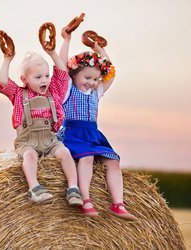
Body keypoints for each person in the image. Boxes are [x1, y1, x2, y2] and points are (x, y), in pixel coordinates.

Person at [57, 27, 136, 220]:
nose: (92, 82)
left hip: (93, 134)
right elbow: (60, 66)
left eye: (95, 79)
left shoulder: (96, 92)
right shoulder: (68, 89)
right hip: (73, 133)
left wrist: (99, 49)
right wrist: (66, 40)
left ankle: (118, 204)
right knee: (87, 158)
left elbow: (110, 73)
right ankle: (85, 199)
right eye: (87, 78)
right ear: (73, 75)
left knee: (113, 161)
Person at [0, 32, 83, 206]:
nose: (44, 80)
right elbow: (3, 82)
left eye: (46, 76)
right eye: (38, 77)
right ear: (24, 80)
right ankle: (34, 188)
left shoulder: (54, 91)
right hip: (27, 141)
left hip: (50, 140)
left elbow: (61, 73)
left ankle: (73, 188)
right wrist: (7, 59)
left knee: (65, 153)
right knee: (29, 156)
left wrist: (52, 53)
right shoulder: (19, 94)